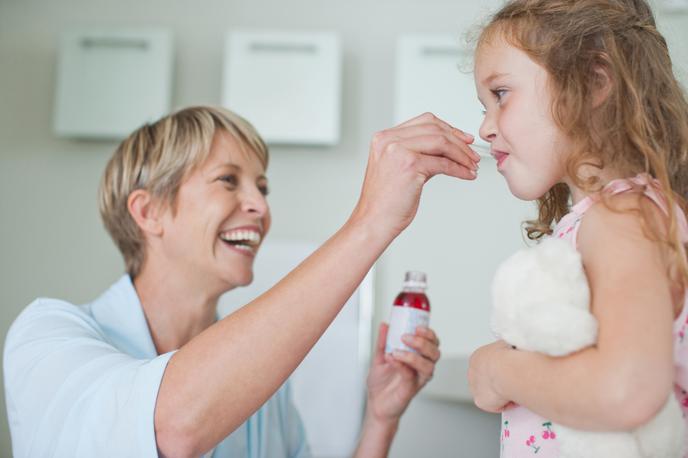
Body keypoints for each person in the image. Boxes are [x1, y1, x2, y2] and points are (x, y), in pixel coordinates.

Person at [3, 106, 481, 457]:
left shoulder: (263, 387)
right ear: (149, 212)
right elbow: (172, 426)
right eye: (228, 181)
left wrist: (381, 416)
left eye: (263, 186)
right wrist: (370, 222)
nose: (260, 205)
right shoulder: (46, 338)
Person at [466, 0, 688, 456]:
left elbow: (627, 391)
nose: (485, 126)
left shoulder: (624, 218)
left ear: (593, 82)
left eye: (501, 94)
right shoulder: (614, 218)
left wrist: (498, 371)